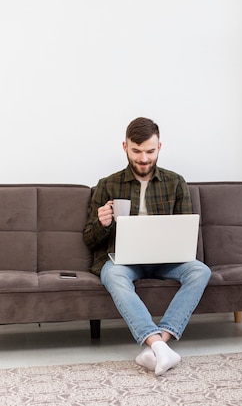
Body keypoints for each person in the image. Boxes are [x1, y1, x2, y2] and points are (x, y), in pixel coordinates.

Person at [83, 117, 211, 375]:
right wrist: (102, 223)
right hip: (124, 261)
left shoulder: (175, 182)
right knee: (113, 274)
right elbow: (89, 239)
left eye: (150, 151)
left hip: (167, 260)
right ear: (125, 147)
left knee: (200, 270)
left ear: (159, 147)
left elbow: (187, 234)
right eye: (136, 151)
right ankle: (160, 346)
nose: (143, 158)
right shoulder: (107, 184)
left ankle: (157, 345)